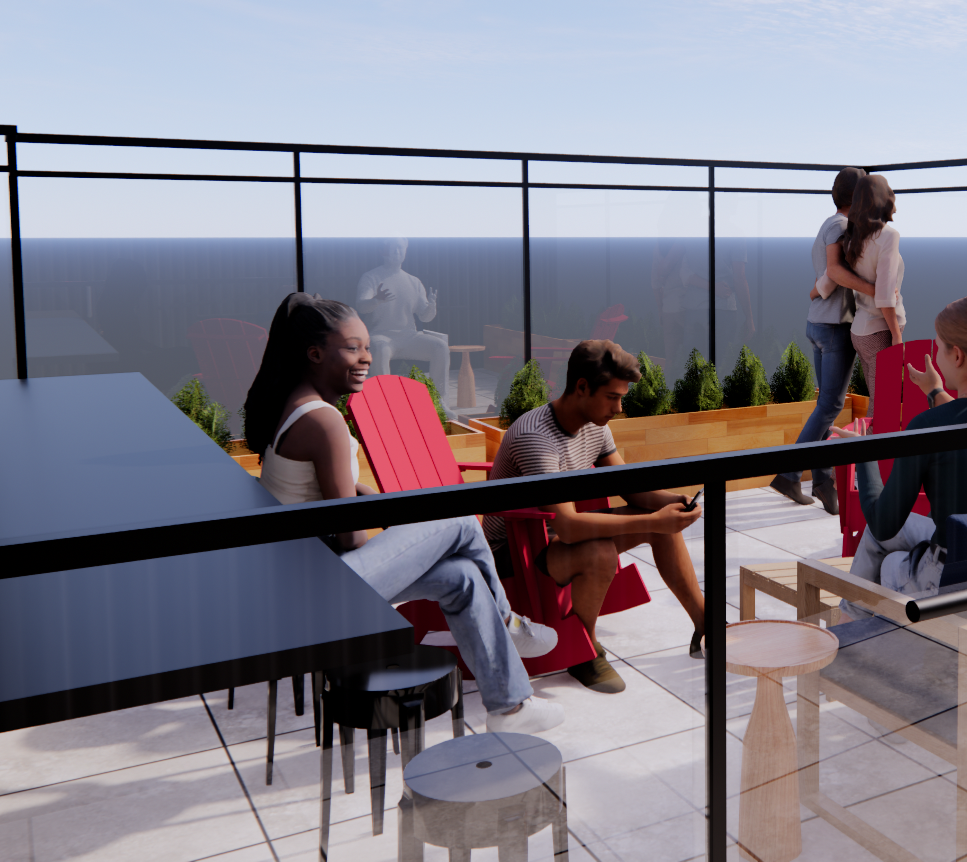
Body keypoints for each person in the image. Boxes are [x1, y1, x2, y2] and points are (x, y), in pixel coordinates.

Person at [245, 293, 564, 735]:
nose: (366, 359)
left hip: (296, 584)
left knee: (463, 578)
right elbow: (351, 537)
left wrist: (403, 531)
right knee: (455, 519)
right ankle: (509, 621)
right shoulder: (325, 423)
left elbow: (315, 493)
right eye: (353, 348)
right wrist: (411, 545)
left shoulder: (292, 403)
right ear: (315, 354)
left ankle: (509, 708)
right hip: (320, 592)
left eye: (368, 347)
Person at [488, 340, 709, 692]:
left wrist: (673, 500)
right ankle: (585, 650)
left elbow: (630, 488)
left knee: (660, 517)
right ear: (581, 387)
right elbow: (570, 526)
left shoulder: (595, 424)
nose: (619, 408)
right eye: (612, 397)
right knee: (603, 551)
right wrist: (654, 521)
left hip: (552, 538)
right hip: (515, 551)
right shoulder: (535, 437)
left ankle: (705, 622)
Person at [831, 294, 967, 599]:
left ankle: (856, 635)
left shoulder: (928, 428)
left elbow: (884, 523)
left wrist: (863, 453)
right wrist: (935, 391)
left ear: (958, 356)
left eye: (938, 346)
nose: (935, 352)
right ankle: (850, 629)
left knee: (888, 564)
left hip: (952, 580)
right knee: (880, 540)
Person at [771, 167, 870, 512]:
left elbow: (826, 278)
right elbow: (835, 271)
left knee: (826, 407)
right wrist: (875, 289)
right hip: (833, 328)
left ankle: (825, 483)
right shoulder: (840, 226)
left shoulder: (831, 224)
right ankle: (788, 474)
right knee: (830, 406)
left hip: (820, 324)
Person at [819, 174, 904, 420]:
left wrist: (816, 291)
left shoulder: (855, 235)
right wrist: (897, 337)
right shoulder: (888, 236)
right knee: (883, 410)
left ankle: (867, 453)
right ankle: (870, 456)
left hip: (860, 331)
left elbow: (833, 275)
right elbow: (885, 295)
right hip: (879, 332)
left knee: (877, 406)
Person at [355, 238, 450, 380]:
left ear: (405, 251)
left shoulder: (414, 282)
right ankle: (383, 397)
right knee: (381, 349)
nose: (397, 251)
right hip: (380, 336)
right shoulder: (371, 277)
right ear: (383, 251)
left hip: (409, 336)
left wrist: (431, 307)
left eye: (400, 247)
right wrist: (376, 300)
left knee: (440, 347)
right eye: (392, 248)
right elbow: (361, 307)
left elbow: (425, 317)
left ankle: (439, 398)